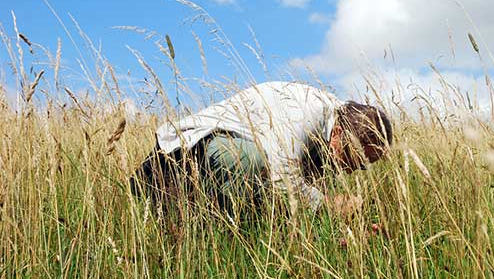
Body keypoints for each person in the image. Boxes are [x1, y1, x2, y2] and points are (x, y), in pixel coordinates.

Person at [130, 81, 393, 218]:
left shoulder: (333, 131)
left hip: (218, 162)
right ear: (339, 133)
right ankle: (223, 235)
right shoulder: (305, 113)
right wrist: (329, 206)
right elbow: (282, 179)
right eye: (356, 161)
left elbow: (302, 190)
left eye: (363, 166)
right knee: (251, 160)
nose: (352, 171)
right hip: (184, 156)